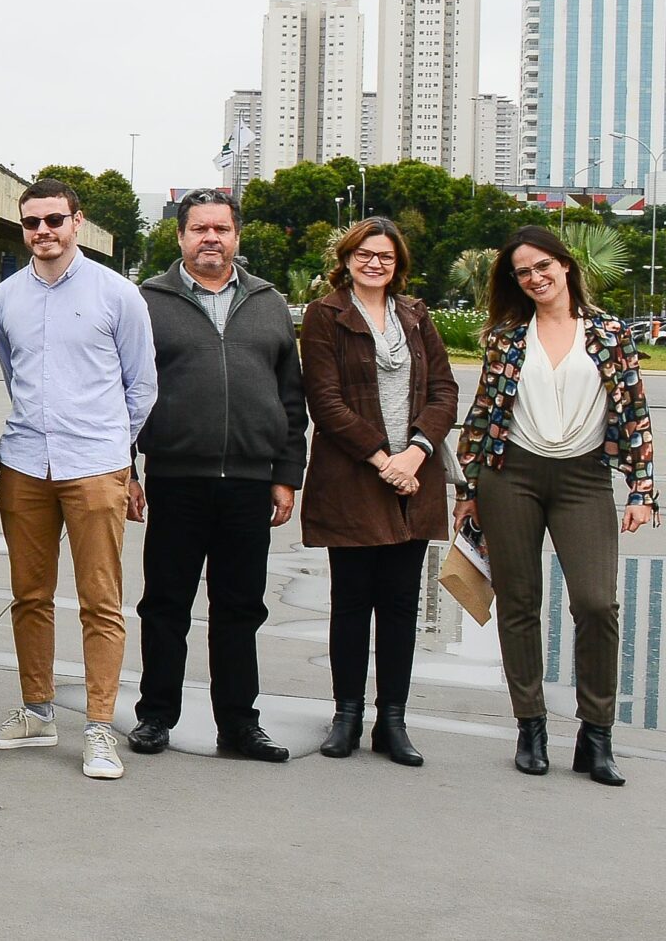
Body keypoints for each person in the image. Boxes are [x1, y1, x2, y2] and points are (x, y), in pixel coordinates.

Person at [456, 226, 656, 786]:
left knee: (596, 604)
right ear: (516, 282)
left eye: (544, 265)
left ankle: (597, 736)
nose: (536, 277)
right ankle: (531, 728)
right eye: (524, 272)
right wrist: (467, 491)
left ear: (565, 266)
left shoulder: (611, 333)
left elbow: (634, 411)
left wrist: (642, 489)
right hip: (509, 476)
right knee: (519, 603)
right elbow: (481, 416)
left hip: (584, 480)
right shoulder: (507, 336)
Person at [0, 178, 156, 779]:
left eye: (54, 220)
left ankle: (100, 727)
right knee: (29, 596)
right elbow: (12, 371)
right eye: (32, 223)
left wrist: (114, 446)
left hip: (96, 466)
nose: (43, 233)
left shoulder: (117, 294)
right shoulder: (6, 298)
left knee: (100, 601)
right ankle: (37, 711)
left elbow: (141, 385)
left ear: (77, 222)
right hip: (26, 462)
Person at [127, 189, 306, 763]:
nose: (211, 238)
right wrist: (128, 470)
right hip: (177, 479)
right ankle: (155, 717)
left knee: (239, 609)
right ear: (179, 236)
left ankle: (238, 723)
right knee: (165, 606)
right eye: (199, 229)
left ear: (236, 237)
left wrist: (286, 473)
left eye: (221, 229)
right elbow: (122, 391)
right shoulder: (148, 301)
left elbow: (291, 397)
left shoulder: (269, 302)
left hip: (250, 484)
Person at [298, 215, 458, 767]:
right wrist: (382, 458)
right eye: (365, 254)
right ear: (346, 258)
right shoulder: (324, 316)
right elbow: (325, 400)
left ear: (398, 265)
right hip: (353, 478)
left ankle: (393, 720)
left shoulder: (415, 316)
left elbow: (444, 389)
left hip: (414, 478)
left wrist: (415, 452)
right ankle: (346, 716)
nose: (375, 263)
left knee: (399, 607)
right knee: (350, 604)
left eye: (386, 257)